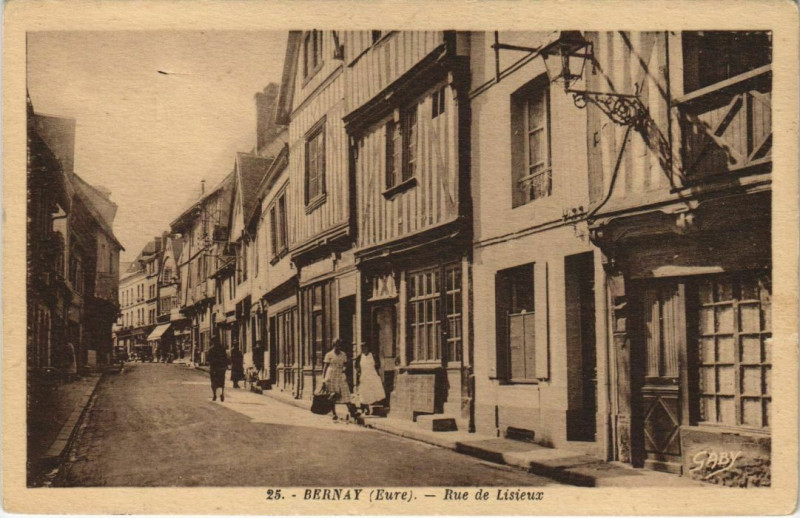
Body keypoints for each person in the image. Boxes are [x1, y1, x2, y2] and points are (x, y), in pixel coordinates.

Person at [321, 339, 352, 422]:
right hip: (331, 376)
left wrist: (344, 369)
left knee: (345, 392)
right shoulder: (329, 355)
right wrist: (323, 380)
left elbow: (345, 365)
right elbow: (325, 368)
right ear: (333, 345)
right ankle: (334, 413)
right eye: (336, 345)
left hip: (340, 375)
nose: (338, 347)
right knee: (332, 395)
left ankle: (352, 411)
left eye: (339, 345)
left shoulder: (343, 354)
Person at [355, 344, 386, 415]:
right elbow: (356, 367)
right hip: (364, 376)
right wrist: (359, 372)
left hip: (372, 376)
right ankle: (366, 408)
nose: (363, 349)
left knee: (374, 392)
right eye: (362, 348)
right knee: (364, 393)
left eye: (365, 347)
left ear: (368, 348)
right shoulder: (359, 357)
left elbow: (378, 365)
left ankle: (375, 408)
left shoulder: (373, 356)